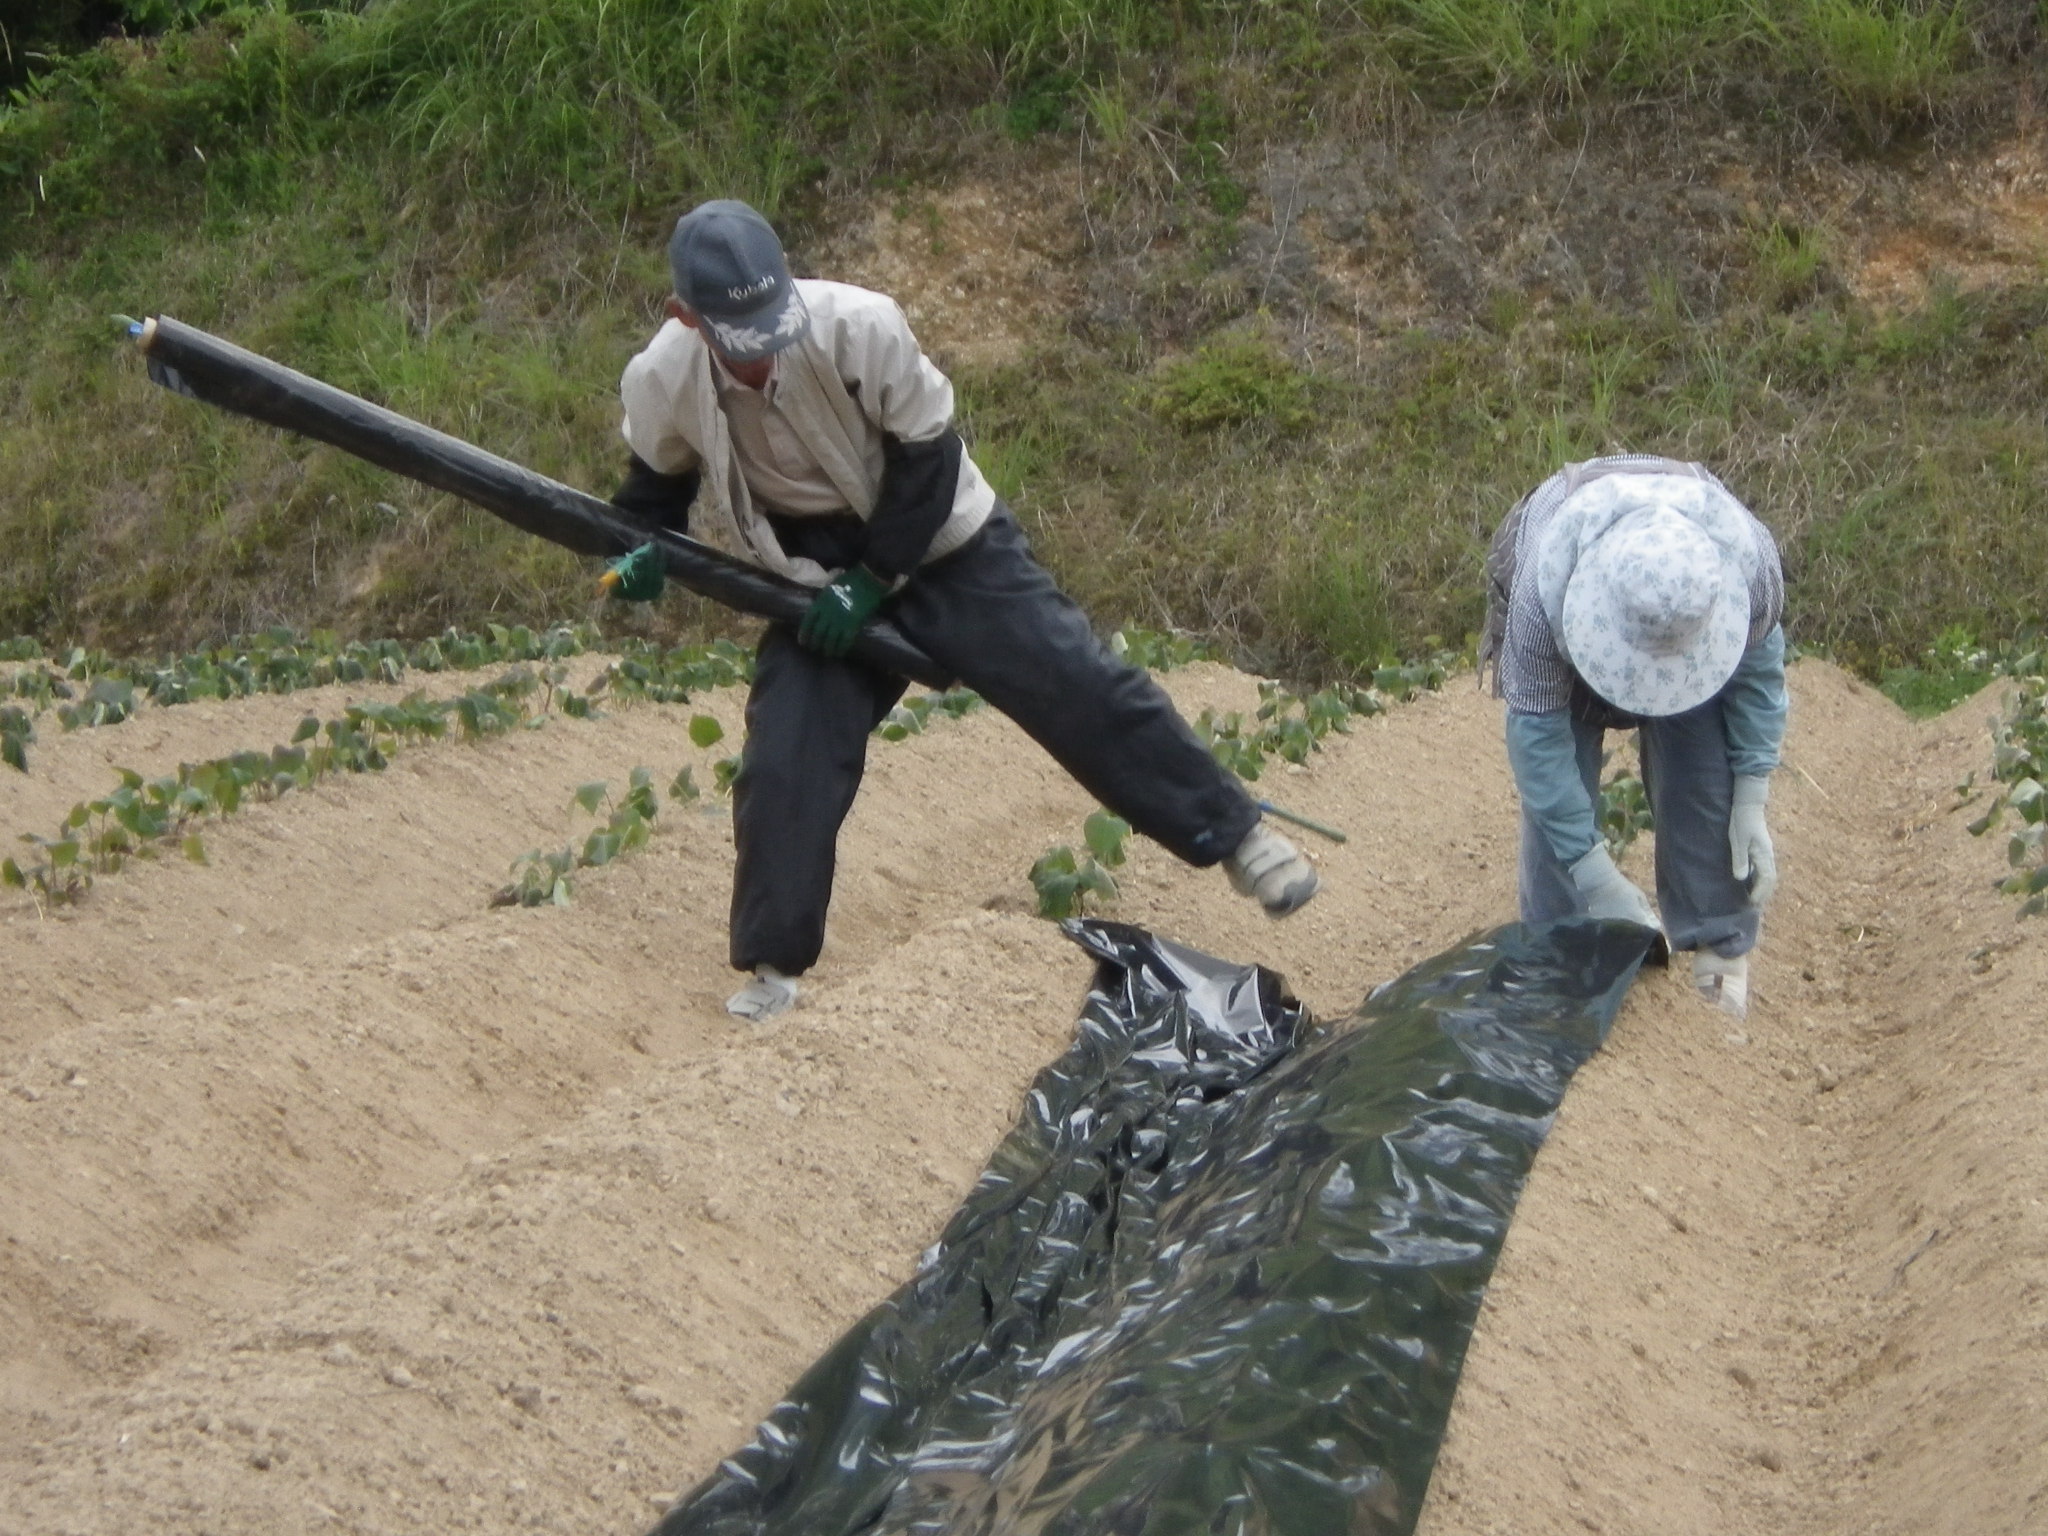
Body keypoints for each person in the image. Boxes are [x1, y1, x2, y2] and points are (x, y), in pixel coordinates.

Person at [604, 199, 1318, 1019]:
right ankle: (774, 969)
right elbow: (651, 495)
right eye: (742, 340)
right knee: (788, 749)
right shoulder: (662, 378)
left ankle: (1239, 838)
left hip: (943, 540)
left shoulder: (859, 326)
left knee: (1073, 679)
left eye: (773, 326)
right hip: (813, 571)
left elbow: (929, 458)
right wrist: (637, 557)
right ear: (686, 317)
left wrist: (874, 579)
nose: (764, 354)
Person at [1480, 455, 1788, 1018]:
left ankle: (1719, 944)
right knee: (1564, 781)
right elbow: (1540, 743)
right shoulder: (1539, 593)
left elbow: (1757, 680)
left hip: (1689, 623)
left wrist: (1751, 795)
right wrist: (1594, 874)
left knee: (1702, 768)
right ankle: (1562, 951)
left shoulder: (1748, 567)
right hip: (1566, 614)